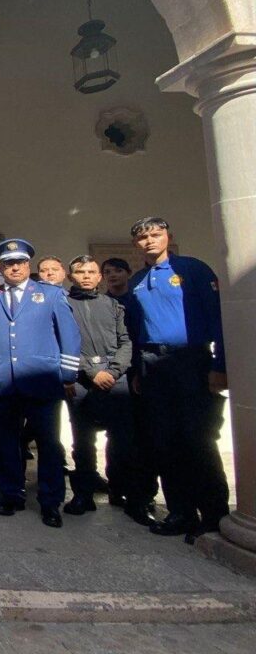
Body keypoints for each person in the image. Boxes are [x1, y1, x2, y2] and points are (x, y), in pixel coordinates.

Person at [123, 216, 229, 538]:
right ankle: (180, 512)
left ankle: (214, 515)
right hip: (154, 364)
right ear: (136, 244)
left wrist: (220, 365)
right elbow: (136, 330)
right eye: (143, 237)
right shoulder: (138, 279)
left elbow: (218, 316)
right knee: (165, 442)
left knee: (198, 440)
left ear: (167, 236)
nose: (150, 241)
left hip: (191, 362)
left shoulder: (192, 269)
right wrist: (138, 370)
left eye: (156, 234)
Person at [0, 239, 80, 528]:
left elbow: (69, 337)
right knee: (7, 442)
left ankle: (50, 501)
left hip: (42, 381)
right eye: (8, 264)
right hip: (3, 382)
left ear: (28, 265)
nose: (14, 268)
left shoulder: (50, 295)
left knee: (48, 443)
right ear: (1, 267)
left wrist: (67, 375)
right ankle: (11, 494)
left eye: (19, 263)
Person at [64, 255, 152, 525]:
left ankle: (126, 494)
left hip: (115, 379)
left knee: (123, 440)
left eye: (92, 271)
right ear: (71, 276)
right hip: (81, 379)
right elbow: (60, 343)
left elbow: (126, 342)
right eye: (80, 272)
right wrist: (91, 372)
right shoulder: (63, 305)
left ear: (99, 277)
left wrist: (112, 372)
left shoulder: (113, 305)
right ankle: (84, 494)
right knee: (83, 440)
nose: (87, 276)